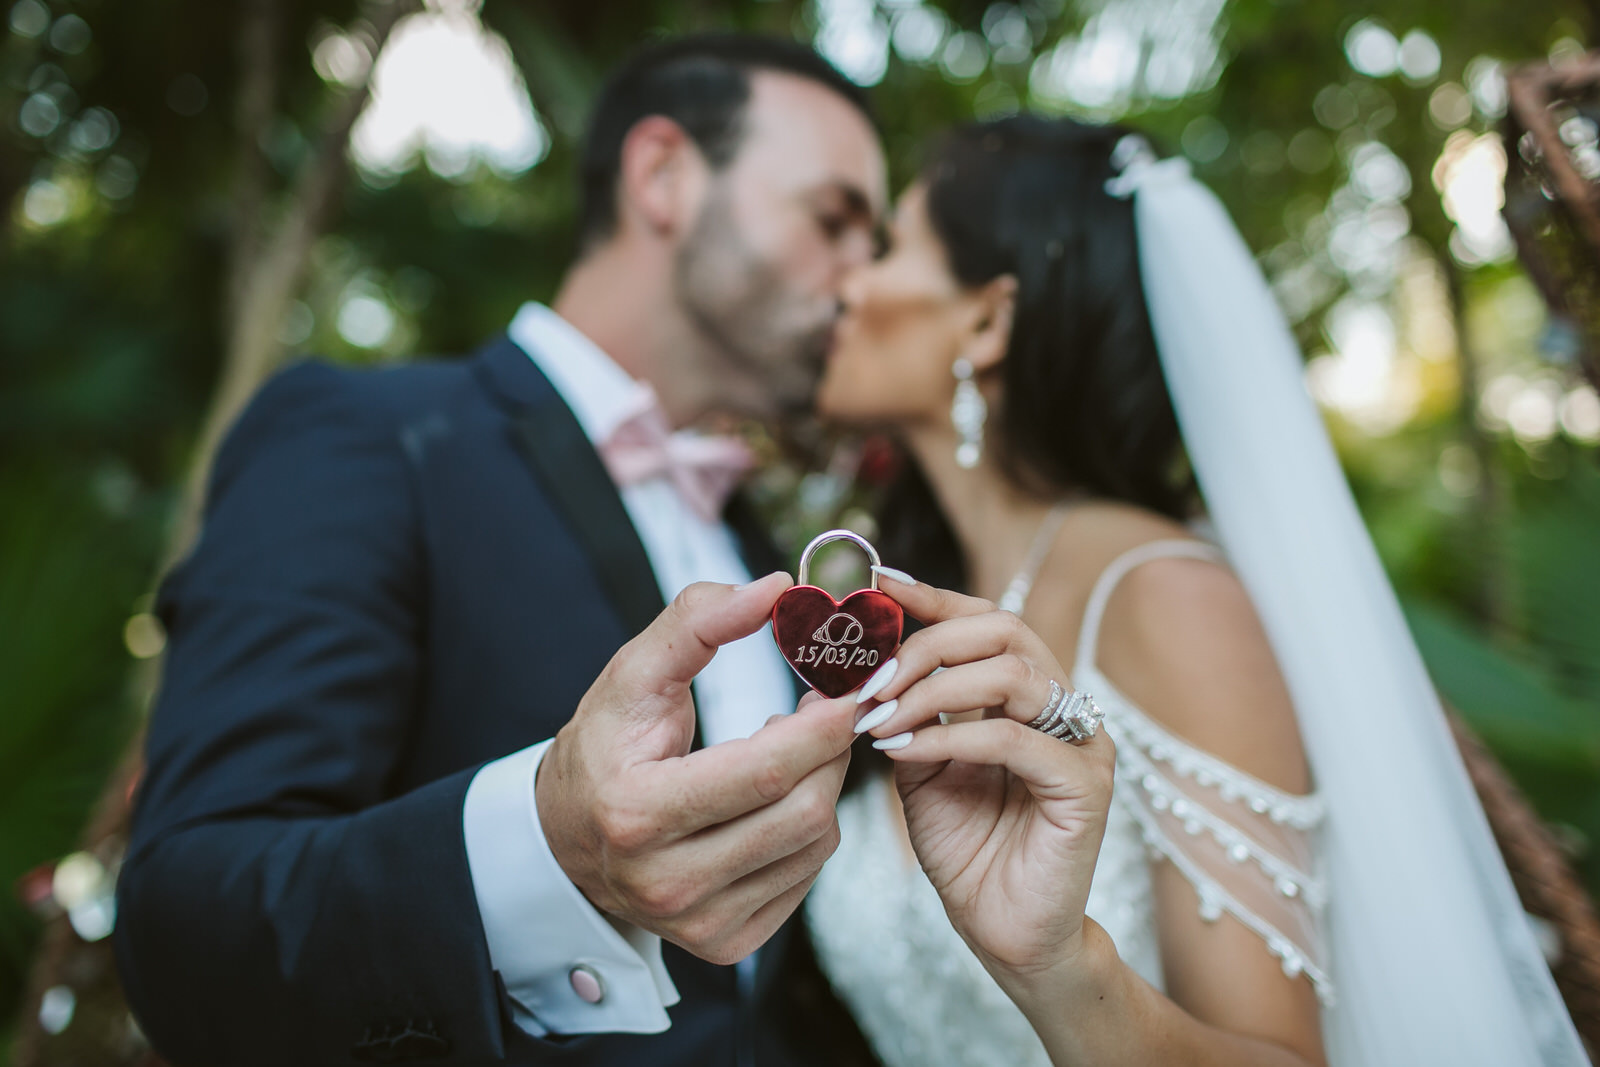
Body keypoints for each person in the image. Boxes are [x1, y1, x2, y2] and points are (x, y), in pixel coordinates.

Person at [113, 34, 887, 1066]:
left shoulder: (762, 546)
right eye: (834, 220)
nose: (865, 280)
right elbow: (187, 926)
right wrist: (542, 844)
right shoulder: (365, 439)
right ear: (663, 176)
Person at [802, 115, 1587, 1065]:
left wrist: (1059, 968)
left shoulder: (1165, 597)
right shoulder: (910, 596)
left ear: (986, 321)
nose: (846, 283)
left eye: (889, 247)